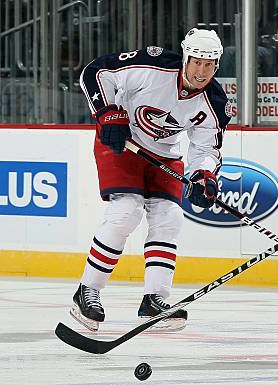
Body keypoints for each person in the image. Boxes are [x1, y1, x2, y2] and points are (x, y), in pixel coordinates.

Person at [73, 28, 231, 332]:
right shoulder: (151, 66)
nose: (201, 71)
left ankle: (154, 300)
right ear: (186, 57)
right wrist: (107, 113)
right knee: (125, 211)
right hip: (122, 141)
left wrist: (204, 175)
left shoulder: (214, 102)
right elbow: (95, 72)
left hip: (165, 156)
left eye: (209, 65)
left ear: (217, 66)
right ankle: (86, 291)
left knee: (170, 217)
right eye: (197, 62)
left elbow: (206, 147)